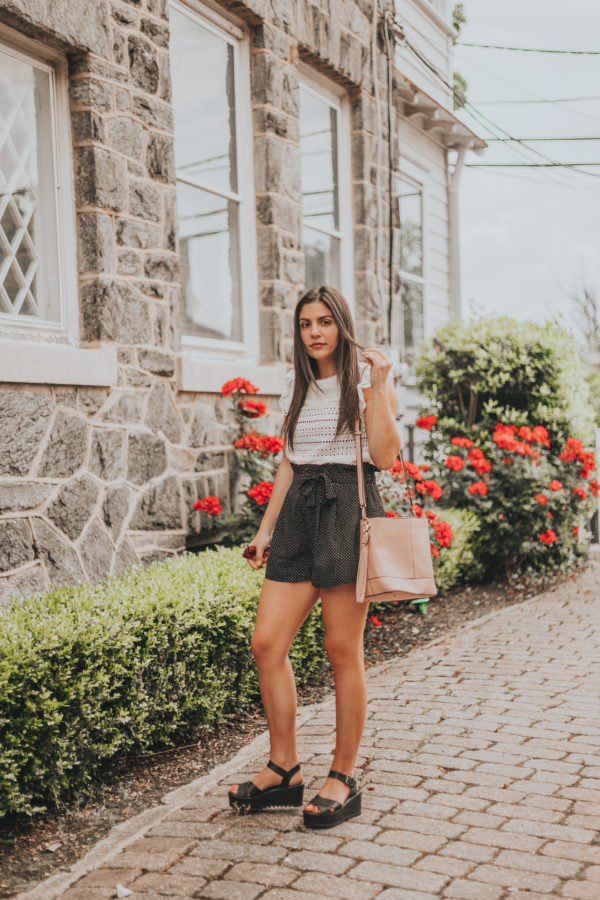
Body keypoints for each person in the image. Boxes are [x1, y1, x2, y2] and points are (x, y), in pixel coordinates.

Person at [228, 285, 400, 828]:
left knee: (341, 649)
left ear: (342, 326)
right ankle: (284, 769)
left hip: (348, 510)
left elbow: (386, 457)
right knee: (267, 642)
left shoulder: (362, 384)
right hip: (301, 510)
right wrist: (265, 530)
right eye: (306, 324)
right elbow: (289, 461)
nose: (316, 332)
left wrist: (382, 385)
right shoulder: (295, 388)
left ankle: (343, 776)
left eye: (325, 321)